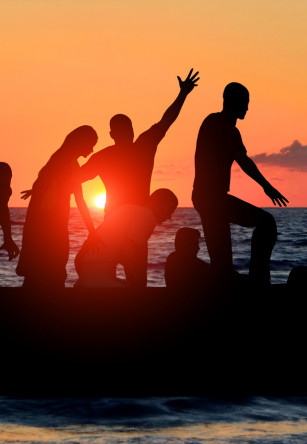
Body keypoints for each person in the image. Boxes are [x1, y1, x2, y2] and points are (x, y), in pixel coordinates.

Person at [192, 82, 289, 286]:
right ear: (234, 102)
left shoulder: (214, 122)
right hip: (212, 199)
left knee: (222, 266)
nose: (247, 108)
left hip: (208, 198)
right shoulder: (223, 125)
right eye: (245, 102)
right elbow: (243, 160)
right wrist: (266, 186)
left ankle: (238, 282)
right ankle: (258, 280)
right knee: (266, 222)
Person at [79, 69, 199, 216]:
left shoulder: (106, 156)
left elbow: (71, 179)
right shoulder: (143, 145)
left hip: (120, 220)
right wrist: (183, 94)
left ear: (112, 135)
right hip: (129, 219)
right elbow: (167, 120)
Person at [16, 126, 99, 288]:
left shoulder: (57, 158)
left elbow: (50, 183)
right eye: (91, 145)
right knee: (53, 272)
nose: (92, 149)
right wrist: (92, 230)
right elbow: (80, 200)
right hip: (51, 225)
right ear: (81, 143)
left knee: (36, 272)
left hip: (40, 223)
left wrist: (36, 190)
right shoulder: (69, 163)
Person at [74, 189, 179, 287]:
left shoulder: (127, 209)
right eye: (170, 209)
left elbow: (79, 257)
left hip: (85, 276)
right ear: (160, 204)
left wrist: (83, 279)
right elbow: (128, 250)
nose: (169, 216)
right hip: (98, 279)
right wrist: (135, 283)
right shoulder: (148, 216)